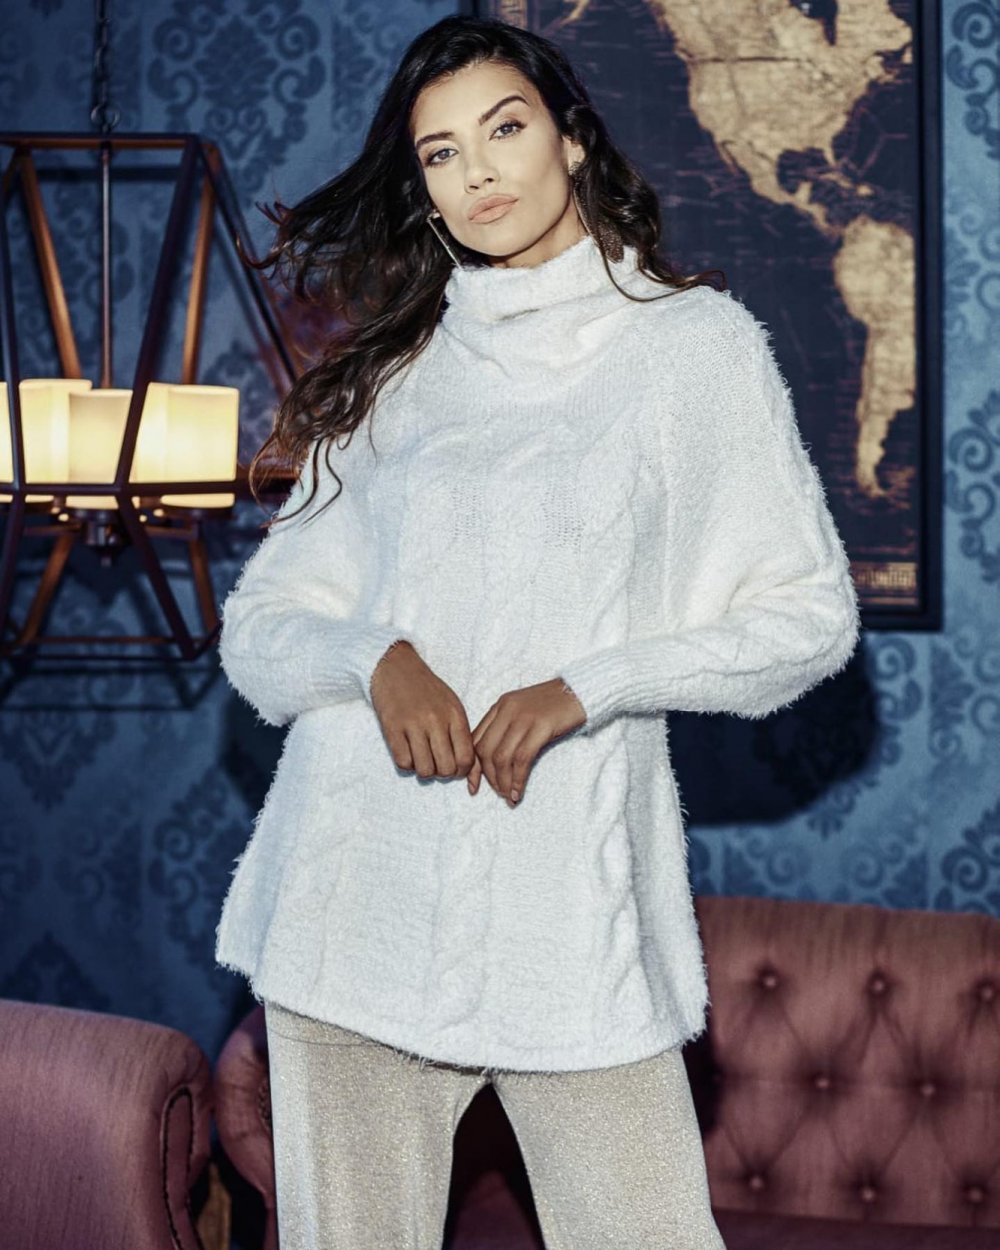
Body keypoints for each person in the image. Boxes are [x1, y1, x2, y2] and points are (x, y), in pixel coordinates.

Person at [214, 14, 860, 1250]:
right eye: (440, 153)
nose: (478, 172)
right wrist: (375, 657)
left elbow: (806, 618)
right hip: (354, 900)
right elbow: (260, 627)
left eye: (503, 129)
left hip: (570, 915)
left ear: (570, 140)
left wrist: (587, 684)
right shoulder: (393, 375)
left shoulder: (694, 348)